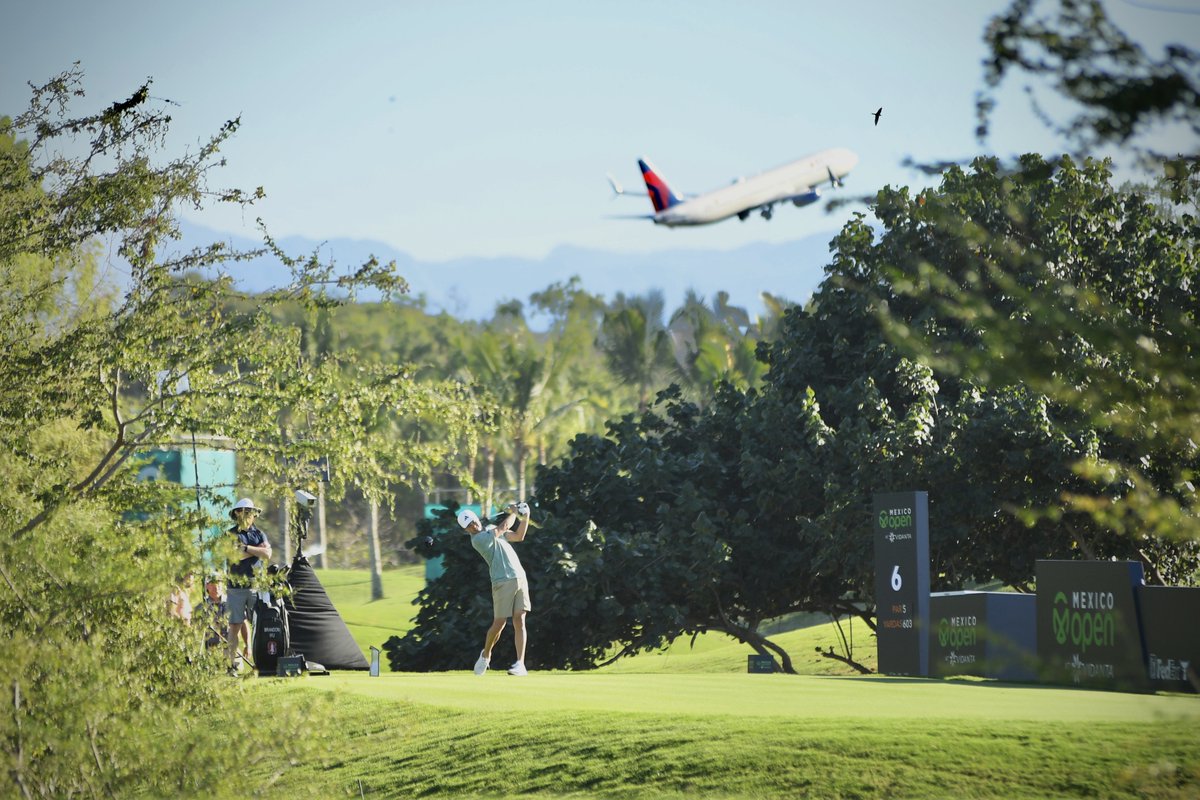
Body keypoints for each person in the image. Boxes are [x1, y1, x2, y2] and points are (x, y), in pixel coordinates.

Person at [459, 501, 532, 676]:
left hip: (520, 577)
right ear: (466, 530)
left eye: (473, 521)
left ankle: (520, 664)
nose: (473, 526)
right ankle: (486, 655)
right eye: (469, 526)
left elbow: (518, 536)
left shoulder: (490, 528)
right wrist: (515, 512)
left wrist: (526, 516)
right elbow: (504, 526)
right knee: (499, 623)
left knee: (519, 620)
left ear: (477, 519)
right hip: (502, 581)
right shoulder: (478, 540)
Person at [226, 497, 271, 676]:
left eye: (250, 512)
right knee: (235, 625)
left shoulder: (260, 533)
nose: (248, 515)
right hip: (235, 587)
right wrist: (255, 550)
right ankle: (231, 666)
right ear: (237, 513)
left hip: (255, 586)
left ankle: (259, 664)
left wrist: (245, 548)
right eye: (244, 511)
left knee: (259, 625)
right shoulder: (230, 534)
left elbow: (267, 553)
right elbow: (235, 557)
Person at [200, 576, 228, 649]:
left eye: (219, 583)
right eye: (213, 583)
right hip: (211, 650)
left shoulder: (232, 603)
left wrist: (248, 646)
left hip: (230, 648)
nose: (216, 586)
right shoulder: (201, 607)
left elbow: (243, 623)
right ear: (207, 586)